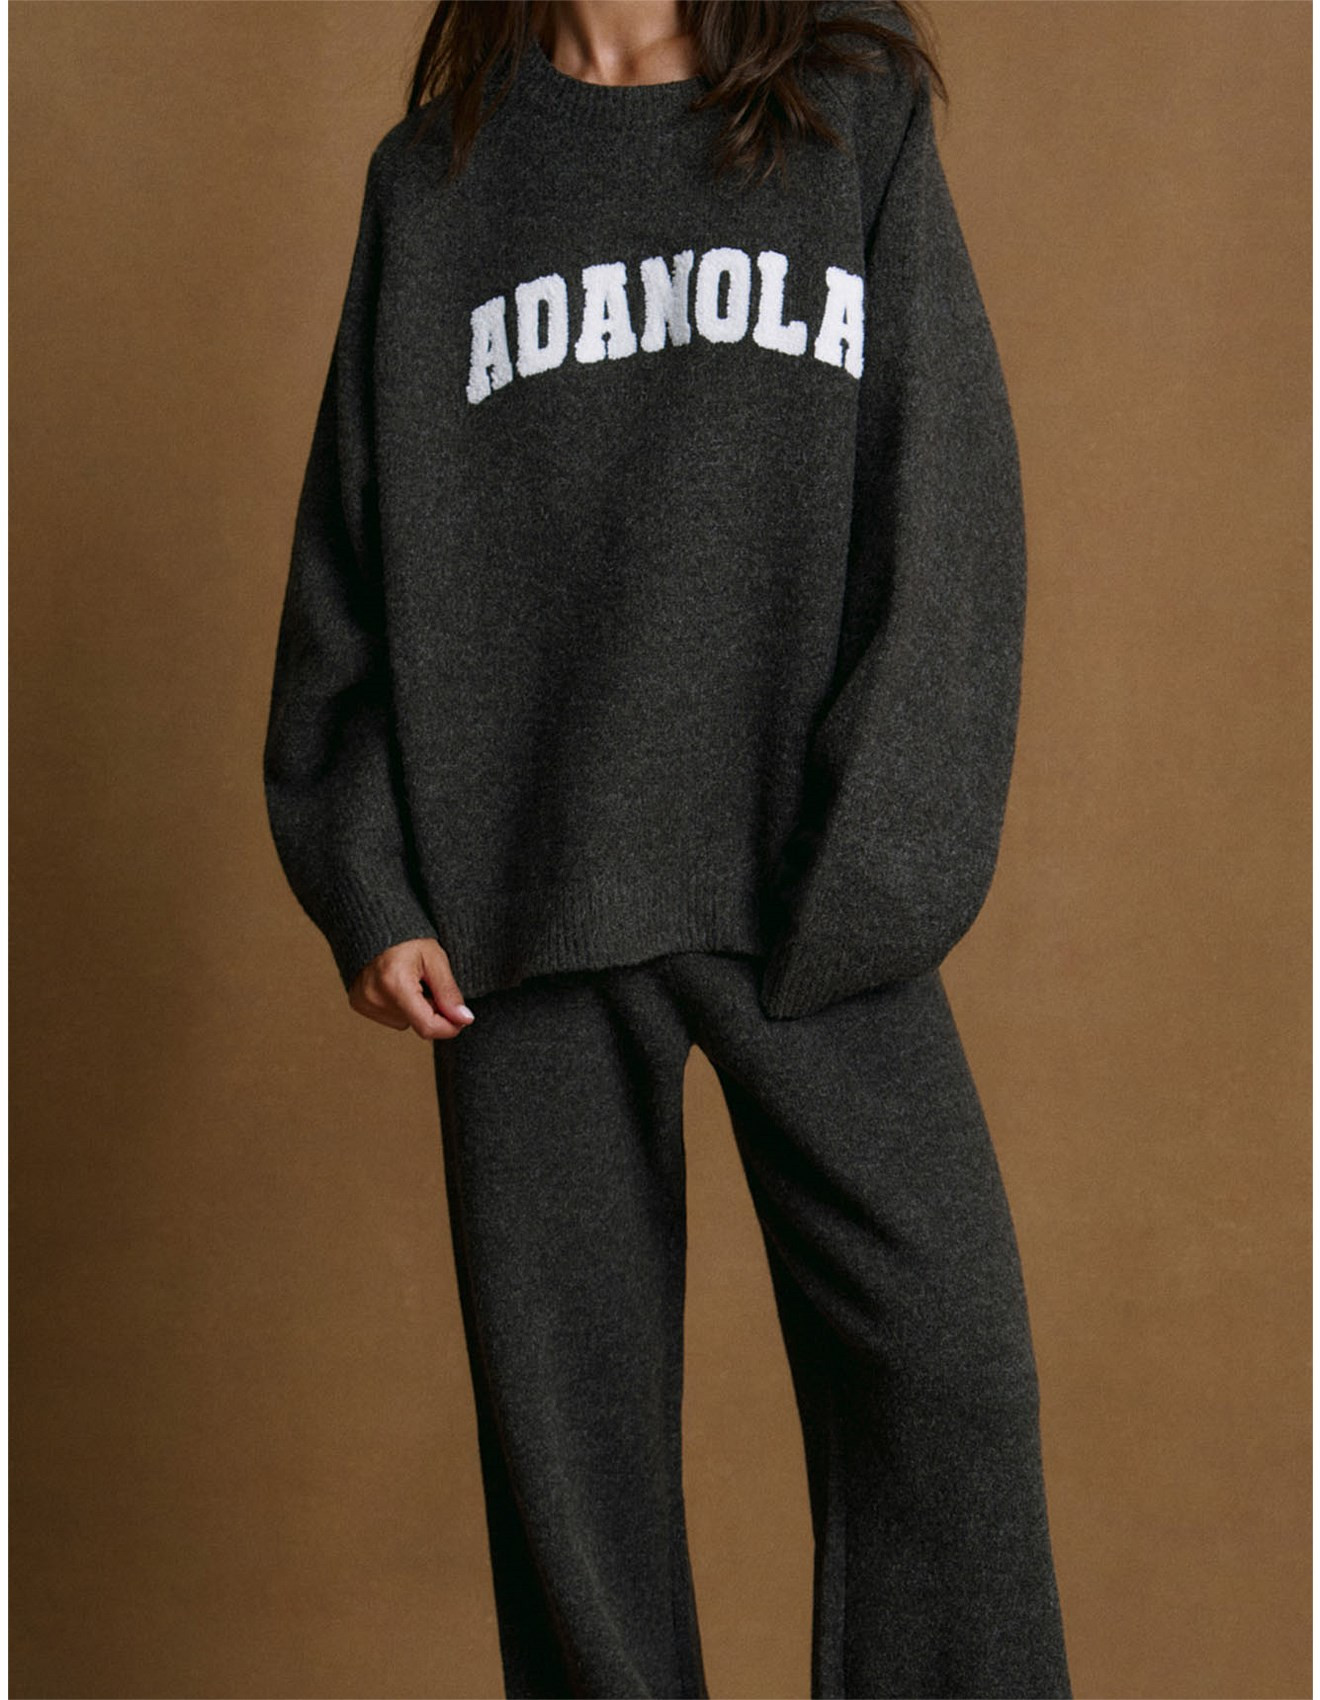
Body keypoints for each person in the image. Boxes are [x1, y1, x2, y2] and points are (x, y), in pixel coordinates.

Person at [262, 2, 1074, 1695]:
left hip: (806, 892)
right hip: (522, 899)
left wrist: (884, 861)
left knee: (952, 1373)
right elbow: (349, 563)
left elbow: (950, 501)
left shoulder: (848, 119)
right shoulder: (437, 184)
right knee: (575, 1482)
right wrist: (371, 881)